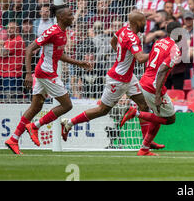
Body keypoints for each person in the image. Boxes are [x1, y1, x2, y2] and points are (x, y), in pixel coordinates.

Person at [61, 12, 166, 150]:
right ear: (136, 23)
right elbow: (140, 59)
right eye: (143, 22)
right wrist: (157, 52)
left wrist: (121, 56)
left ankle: (147, 142)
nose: (145, 24)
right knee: (102, 110)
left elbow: (113, 41)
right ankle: (69, 123)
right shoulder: (133, 39)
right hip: (117, 80)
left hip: (128, 77)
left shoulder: (123, 30)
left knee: (144, 105)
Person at [4, 4, 93, 155]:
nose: (72, 17)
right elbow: (29, 49)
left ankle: (13, 139)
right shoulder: (51, 32)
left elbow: (59, 55)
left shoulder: (62, 32)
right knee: (67, 105)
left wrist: (80, 63)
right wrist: (27, 73)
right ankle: (35, 126)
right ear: (61, 17)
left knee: (35, 108)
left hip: (44, 72)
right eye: (70, 15)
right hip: (46, 73)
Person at [120, 21, 182, 156]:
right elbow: (162, 71)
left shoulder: (158, 42)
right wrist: (158, 95)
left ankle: (145, 148)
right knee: (170, 119)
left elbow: (151, 63)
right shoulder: (175, 49)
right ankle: (135, 113)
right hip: (154, 86)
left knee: (157, 115)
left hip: (145, 81)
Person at [0, 22, 25, 100]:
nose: (9, 30)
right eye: (8, 28)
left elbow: (3, 53)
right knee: (2, 102)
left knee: (11, 102)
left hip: (12, 76)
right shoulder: (9, 40)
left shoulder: (18, 40)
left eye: (12, 28)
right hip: (3, 74)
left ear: (17, 30)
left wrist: (0, 44)